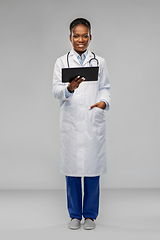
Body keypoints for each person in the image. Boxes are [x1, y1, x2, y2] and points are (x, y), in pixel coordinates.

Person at [52, 18, 110, 230]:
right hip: (72, 122)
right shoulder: (61, 62)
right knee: (73, 170)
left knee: (93, 170)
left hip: (92, 119)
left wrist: (104, 103)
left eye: (84, 35)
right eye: (76, 35)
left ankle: (91, 216)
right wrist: (69, 88)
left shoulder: (99, 62)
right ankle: (75, 214)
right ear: (70, 38)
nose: (81, 39)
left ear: (90, 37)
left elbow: (105, 88)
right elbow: (55, 91)